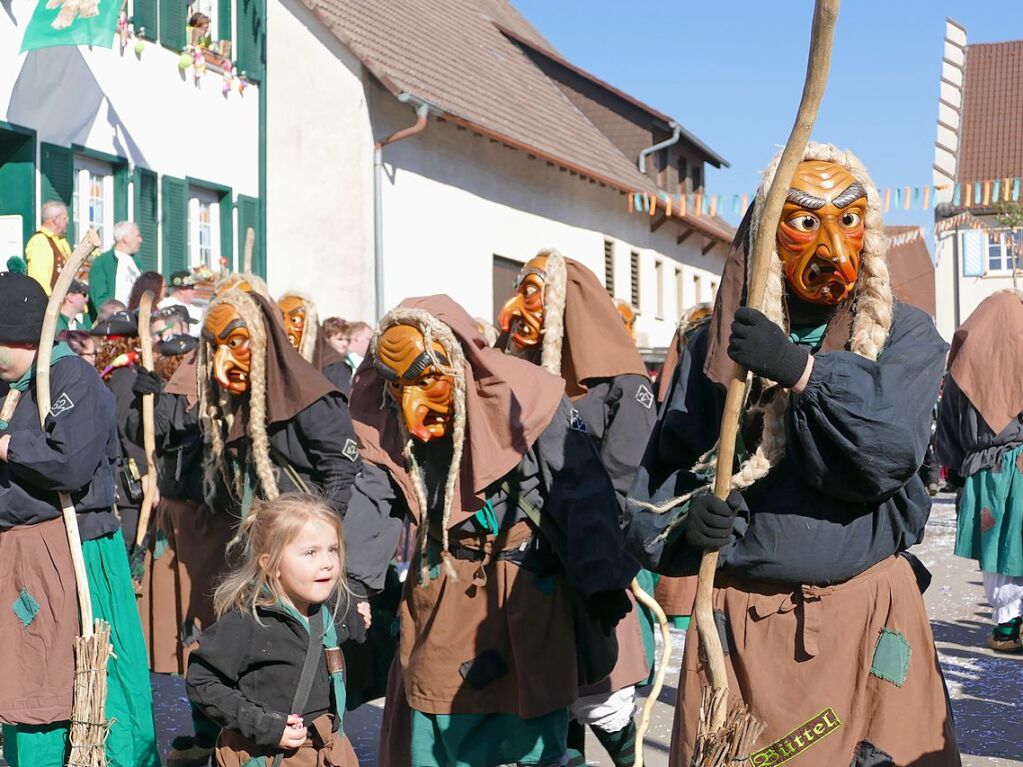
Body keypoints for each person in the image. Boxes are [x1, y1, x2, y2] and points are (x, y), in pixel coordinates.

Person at [626, 143, 961, 765]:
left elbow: (887, 451)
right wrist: (684, 526)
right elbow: (654, 487)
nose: (833, 246)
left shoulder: (905, 335)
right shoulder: (714, 348)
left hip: (868, 619)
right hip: (744, 636)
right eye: (805, 220)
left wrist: (801, 372)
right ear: (766, 240)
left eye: (850, 218)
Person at [344, 295, 636, 767]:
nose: (412, 406)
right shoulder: (389, 415)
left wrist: (600, 573)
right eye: (399, 386)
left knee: (532, 728)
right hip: (440, 593)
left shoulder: (530, 395)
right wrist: (351, 583)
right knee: (437, 723)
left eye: (425, 381)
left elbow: (580, 487)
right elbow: (376, 492)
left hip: (527, 593)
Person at [498, 251, 657, 767]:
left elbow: (622, 480)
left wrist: (603, 560)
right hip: (531, 566)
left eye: (536, 292)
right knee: (550, 694)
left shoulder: (625, 386)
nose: (524, 303)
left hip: (592, 551)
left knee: (601, 694)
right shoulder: (514, 377)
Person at [0, 270, 160, 767]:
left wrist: (9, 446)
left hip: (72, 554)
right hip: (22, 557)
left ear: (17, 337)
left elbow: (69, 460)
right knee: (28, 683)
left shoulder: (74, 378)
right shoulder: (11, 384)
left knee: (83, 689)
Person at [186, 493, 362, 767]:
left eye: (333, 549)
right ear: (270, 564)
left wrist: (365, 617)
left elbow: (360, 639)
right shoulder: (248, 623)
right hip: (271, 756)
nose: (327, 561)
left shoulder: (334, 611)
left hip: (330, 752)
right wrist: (265, 725)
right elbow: (202, 681)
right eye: (310, 552)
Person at [199, 288, 362, 518]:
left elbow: (343, 474)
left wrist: (318, 533)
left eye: (236, 342)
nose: (220, 366)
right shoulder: (237, 403)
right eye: (215, 347)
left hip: (304, 537)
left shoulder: (312, 396)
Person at [936, 290, 1023, 653]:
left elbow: (947, 428)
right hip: (1020, 464)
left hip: (983, 471)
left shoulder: (961, 370)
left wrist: (955, 472)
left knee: (997, 549)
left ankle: (1007, 627)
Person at [278, 292, 353, 396]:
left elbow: (338, 408)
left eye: (295, 320)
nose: (287, 328)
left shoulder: (333, 366)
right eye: (281, 319)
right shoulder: (276, 363)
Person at [88, 221, 144, 309]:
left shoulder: (138, 264)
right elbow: (99, 298)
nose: (140, 240)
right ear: (126, 238)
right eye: (137, 236)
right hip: (114, 319)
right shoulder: (102, 262)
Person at [24, 200, 71, 295]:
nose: (67, 222)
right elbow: (39, 280)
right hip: (50, 306)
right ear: (56, 220)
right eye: (65, 218)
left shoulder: (61, 242)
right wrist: (47, 302)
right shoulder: (40, 241)